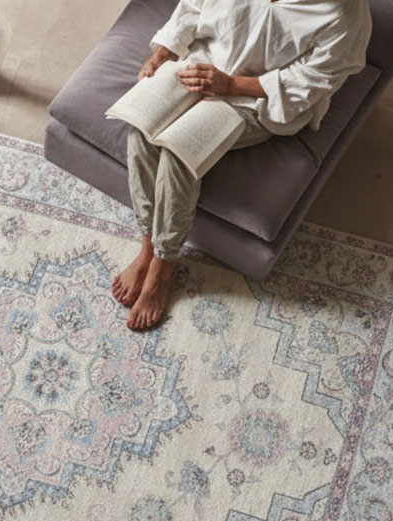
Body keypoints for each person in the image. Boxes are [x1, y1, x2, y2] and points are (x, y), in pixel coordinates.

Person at [111, 0, 372, 330]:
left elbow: (312, 81)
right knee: (141, 134)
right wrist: (162, 54)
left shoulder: (344, 13)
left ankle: (163, 263)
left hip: (256, 99)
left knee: (179, 153)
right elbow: (193, 6)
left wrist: (230, 85)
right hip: (200, 64)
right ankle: (147, 247)